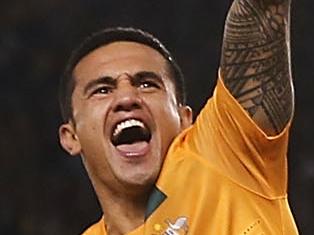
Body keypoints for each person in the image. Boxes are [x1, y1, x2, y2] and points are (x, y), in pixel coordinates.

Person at [58, 0, 298, 234]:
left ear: (184, 118)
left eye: (147, 84)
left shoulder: (227, 154)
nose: (127, 97)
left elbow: (262, 10)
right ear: (71, 136)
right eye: (103, 90)